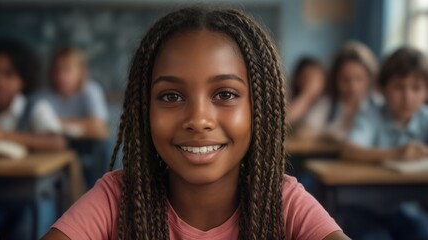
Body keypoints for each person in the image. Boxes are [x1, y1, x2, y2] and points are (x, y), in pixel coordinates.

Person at [42, 7, 349, 240]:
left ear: (259, 109)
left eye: (225, 94)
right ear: (143, 110)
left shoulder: (281, 202)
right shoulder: (118, 198)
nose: (198, 120)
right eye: (171, 96)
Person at [0, 38, 65, 240]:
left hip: (26, 199)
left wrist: (2, 135)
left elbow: (58, 142)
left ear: (23, 79)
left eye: (8, 74)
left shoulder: (35, 107)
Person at [341, 47, 428, 239]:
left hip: (405, 209)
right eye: (399, 87)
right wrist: (397, 154)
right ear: (382, 89)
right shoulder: (371, 115)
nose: (407, 97)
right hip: (363, 208)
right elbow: (349, 150)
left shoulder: (424, 117)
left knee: (422, 232)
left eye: (416, 88)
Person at [40, 46, 110, 188]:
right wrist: (83, 126)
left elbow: (99, 129)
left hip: (89, 150)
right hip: (58, 149)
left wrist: (56, 122)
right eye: (56, 70)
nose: (61, 76)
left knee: (106, 145)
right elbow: (40, 130)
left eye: (67, 70)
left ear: (80, 72)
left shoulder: (90, 90)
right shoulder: (45, 95)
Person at [298, 41, 381, 141]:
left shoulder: (377, 105)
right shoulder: (328, 104)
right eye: (346, 80)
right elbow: (302, 133)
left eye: (359, 79)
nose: (353, 87)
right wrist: (327, 135)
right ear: (335, 79)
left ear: (369, 79)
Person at [288, 57, 326, 125]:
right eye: (307, 78)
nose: (313, 83)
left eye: (317, 79)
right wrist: (307, 95)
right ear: (297, 78)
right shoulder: (289, 96)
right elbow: (287, 119)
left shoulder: (325, 103)